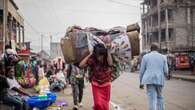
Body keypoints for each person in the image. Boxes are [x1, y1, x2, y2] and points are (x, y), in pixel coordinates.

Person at [79, 44, 113, 110]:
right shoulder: (93, 60)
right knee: (98, 104)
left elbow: (110, 64)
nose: (100, 58)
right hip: (96, 85)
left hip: (106, 85)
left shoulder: (107, 58)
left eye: (101, 55)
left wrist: (108, 50)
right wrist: (90, 54)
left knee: (105, 106)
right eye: (98, 56)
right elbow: (81, 65)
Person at [139, 43, 169, 110]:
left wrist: (141, 82)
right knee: (160, 97)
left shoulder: (145, 57)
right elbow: (166, 71)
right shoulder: (163, 57)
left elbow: (142, 71)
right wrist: (166, 76)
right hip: (160, 80)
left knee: (152, 99)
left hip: (149, 80)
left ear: (150, 49)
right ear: (158, 49)